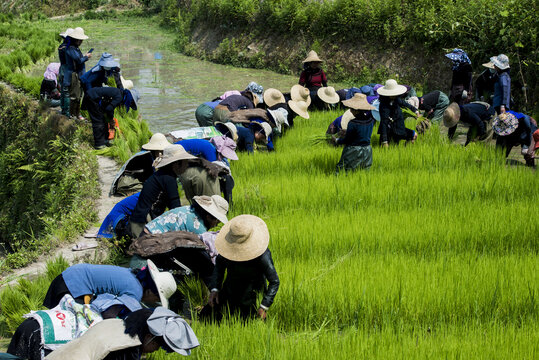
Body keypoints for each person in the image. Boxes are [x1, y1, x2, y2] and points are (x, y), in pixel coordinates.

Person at [201, 214, 279, 322]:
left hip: (252, 293)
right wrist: (215, 289)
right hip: (230, 290)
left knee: (246, 322)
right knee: (206, 317)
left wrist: (263, 306)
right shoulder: (227, 250)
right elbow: (219, 268)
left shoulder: (262, 254)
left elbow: (274, 281)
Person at [43, 307, 198, 359]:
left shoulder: (118, 325)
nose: (156, 351)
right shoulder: (124, 349)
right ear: (150, 337)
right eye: (158, 346)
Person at [43, 260, 176, 316]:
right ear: (152, 292)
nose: (153, 302)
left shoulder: (132, 276)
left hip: (69, 277)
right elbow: (125, 316)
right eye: (156, 299)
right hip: (75, 286)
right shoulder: (135, 291)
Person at [129, 145, 197, 238]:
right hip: (142, 225)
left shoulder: (163, 175)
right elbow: (175, 208)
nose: (187, 165)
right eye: (185, 162)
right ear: (176, 164)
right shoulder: (168, 179)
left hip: (140, 221)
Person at [333, 94, 376, 172]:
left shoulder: (353, 123)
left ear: (355, 110)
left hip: (353, 150)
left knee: (342, 169)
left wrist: (337, 140)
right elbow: (362, 134)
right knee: (364, 170)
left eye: (351, 109)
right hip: (367, 150)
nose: (350, 111)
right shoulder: (370, 120)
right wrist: (347, 132)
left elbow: (347, 140)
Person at [144, 195, 228, 235]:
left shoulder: (191, 209)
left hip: (147, 230)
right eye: (217, 222)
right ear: (208, 217)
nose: (216, 225)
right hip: (151, 240)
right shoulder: (198, 227)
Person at [377, 79, 419, 147]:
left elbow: (405, 104)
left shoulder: (396, 99)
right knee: (390, 149)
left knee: (414, 135)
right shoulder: (383, 106)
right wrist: (385, 141)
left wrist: (415, 111)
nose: (394, 95)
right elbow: (384, 123)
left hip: (399, 128)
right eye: (392, 94)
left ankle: (405, 150)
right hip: (389, 131)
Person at [61, 27, 92, 120]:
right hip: (73, 75)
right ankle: (72, 115)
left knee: (78, 95)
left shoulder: (75, 48)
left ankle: (76, 115)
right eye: (80, 40)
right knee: (74, 96)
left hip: (77, 74)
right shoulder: (70, 49)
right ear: (77, 40)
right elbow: (78, 61)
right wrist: (86, 57)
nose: (81, 42)